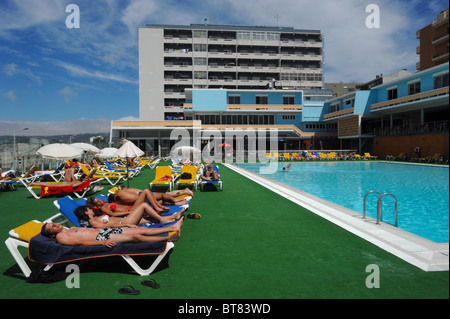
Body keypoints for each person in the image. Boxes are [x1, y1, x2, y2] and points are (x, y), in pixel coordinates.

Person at [40, 220, 182, 248]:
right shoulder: (61, 237)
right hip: (101, 237)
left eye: (52, 223)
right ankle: (168, 238)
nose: (54, 224)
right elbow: (79, 243)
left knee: (140, 229)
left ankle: (171, 226)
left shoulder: (67, 229)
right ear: (52, 235)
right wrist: (101, 242)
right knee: (134, 237)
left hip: (104, 231)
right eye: (51, 227)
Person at [74, 203, 185, 229]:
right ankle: (161, 218)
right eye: (89, 209)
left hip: (125, 220)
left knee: (149, 219)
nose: (91, 209)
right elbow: (109, 227)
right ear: (86, 213)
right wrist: (127, 224)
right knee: (143, 205)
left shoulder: (96, 218)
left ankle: (173, 217)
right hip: (124, 223)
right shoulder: (93, 222)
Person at [110, 187, 190, 213]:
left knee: (162, 199)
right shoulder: (120, 192)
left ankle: (177, 201)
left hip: (140, 199)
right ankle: (176, 200)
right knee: (163, 195)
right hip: (141, 195)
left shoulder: (119, 201)